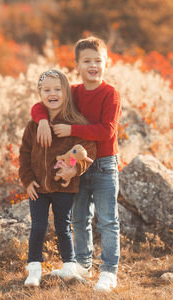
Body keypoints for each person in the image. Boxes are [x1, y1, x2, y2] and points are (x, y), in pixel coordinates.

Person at [31, 36, 122, 292]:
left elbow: (107, 131)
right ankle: (82, 264)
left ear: (107, 62)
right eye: (87, 61)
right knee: (79, 217)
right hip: (75, 166)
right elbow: (41, 104)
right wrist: (41, 121)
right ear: (77, 65)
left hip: (104, 164)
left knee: (107, 220)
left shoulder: (110, 94)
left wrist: (71, 128)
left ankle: (108, 272)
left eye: (98, 61)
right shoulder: (72, 92)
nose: (93, 66)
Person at [19, 69, 96, 287]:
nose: (52, 94)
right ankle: (34, 268)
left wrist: (75, 168)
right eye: (46, 90)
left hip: (64, 185)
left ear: (66, 92)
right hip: (38, 188)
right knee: (38, 226)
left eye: (57, 89)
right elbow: (24, 154)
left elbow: (89, 149)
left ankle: (69, 266)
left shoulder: (74, 122)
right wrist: (27, 180)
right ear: (40, 93)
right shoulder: (33, 125)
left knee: (63, 225)